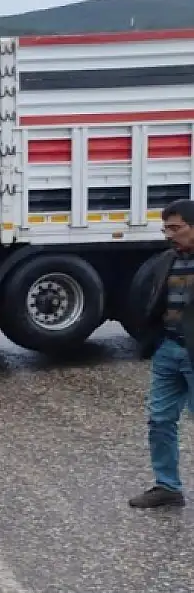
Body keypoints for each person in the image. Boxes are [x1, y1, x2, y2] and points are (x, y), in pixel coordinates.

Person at [125, 198, 194, 508]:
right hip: (168, 349)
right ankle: (167, 486)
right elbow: (154, 300)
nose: (169, 234)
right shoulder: (167, 260)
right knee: (160, 419)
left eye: (176, 228)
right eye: (166, 227)